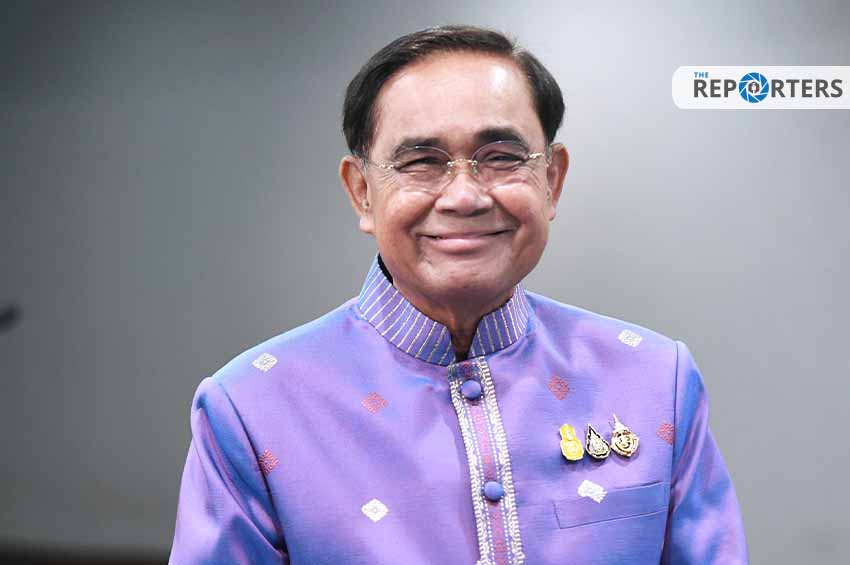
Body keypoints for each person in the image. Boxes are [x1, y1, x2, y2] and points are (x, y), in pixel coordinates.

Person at [169, 25, 748, 564]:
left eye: (502, 158)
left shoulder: (655, 379)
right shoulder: (251, 407)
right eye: (422, 162)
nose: (465, 196)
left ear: (552, 180)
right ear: (361, 191)